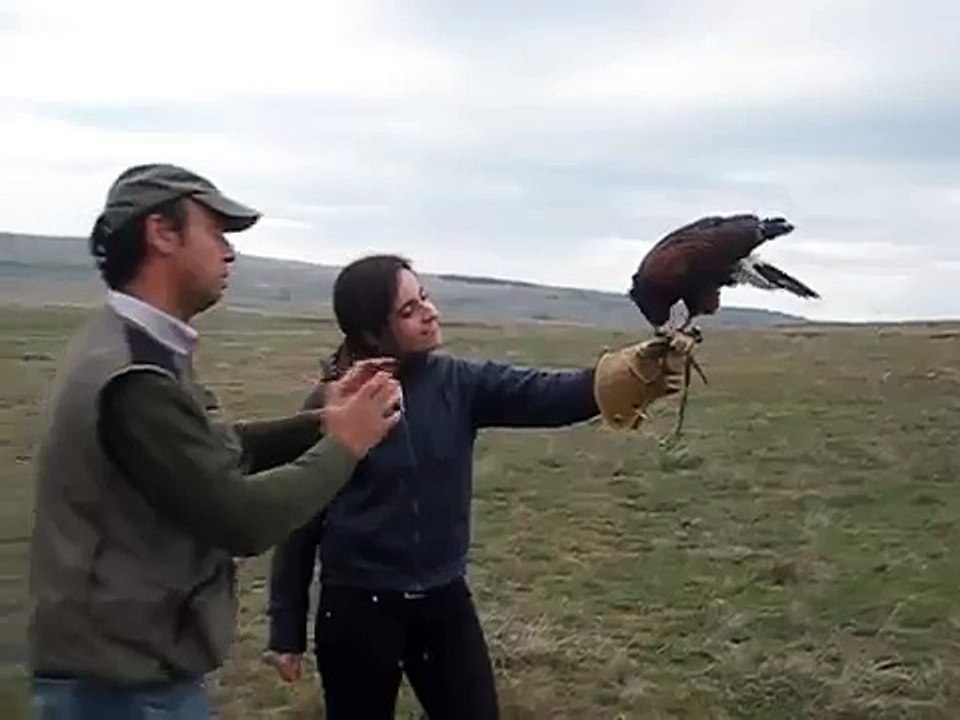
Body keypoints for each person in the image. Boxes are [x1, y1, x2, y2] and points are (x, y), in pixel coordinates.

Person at [27, 164, 403, 720]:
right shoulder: (136, 375)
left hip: (123, 674)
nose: (229, 253)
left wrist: (323, 421)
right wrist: (346, 443)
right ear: (162, 233)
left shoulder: (132, 348)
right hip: (121, 688)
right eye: (217, 233)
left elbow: (206, 448)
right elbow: (241, 518)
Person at [263, 253, 693, 719]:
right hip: (357, 607)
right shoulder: (334, 402)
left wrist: (624, 376)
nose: (429, 312)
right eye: (408, 310)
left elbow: (547, 395)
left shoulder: (460, 384)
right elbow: (300, 519)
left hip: (442, 599)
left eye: (424, 297)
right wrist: (286, 628)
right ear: (370, 332)